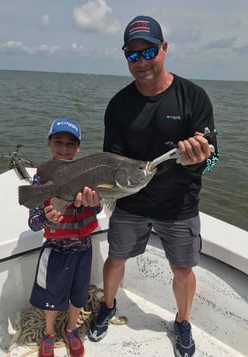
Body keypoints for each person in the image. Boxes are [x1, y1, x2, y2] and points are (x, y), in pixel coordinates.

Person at [88, 15, 219, 357]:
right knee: (116, 257)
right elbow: (110, 163)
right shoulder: (119, 106)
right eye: (133, 55)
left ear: (164, 48)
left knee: (182, 268)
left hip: (179, 204)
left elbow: (216, 157)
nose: (141, 61)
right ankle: (109, 305)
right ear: (125, 57)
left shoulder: (193, 97)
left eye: (148, 52)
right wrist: (94, 194)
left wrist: (200, 159)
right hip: (130, 202)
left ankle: (183, 321)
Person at [28, 117, 102, 357]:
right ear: (49, 143)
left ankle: (71, 329)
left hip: (83, 247)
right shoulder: (41, 177)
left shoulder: (87, 173)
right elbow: (33, 222)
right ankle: (49, 333)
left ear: (78, 148)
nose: (64, 148)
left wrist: (94, 204)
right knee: (52, 299)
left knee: (78, 295)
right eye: (58, 142)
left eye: (70, 144)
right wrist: (47, 219)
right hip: (56, 249)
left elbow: (96, 209)